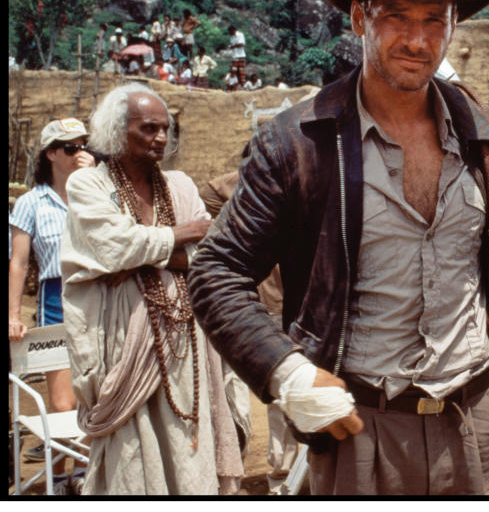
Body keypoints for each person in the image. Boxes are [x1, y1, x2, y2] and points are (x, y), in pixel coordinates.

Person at [188, 0, 489, 496]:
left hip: (476, 422)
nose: (417, 39)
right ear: (359, 17)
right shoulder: (297, 144)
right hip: (361, 429)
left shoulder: (484, 136)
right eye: (396, 16)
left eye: (435, 19)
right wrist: (289, 373)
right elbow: (215, 272)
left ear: (453, 25)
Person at [59, 83, 244, 494]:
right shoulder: (87, 184)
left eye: (165, 129)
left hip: (186, 344)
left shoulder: (180, 184)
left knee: (189, 441)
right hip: (124, 341)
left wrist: (138, 259)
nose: (160, 138)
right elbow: (114, 245)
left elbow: (209, 251)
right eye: (148, 129)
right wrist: (183, 233)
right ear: (116, 131)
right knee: (134, 453)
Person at [197, 167, 299, 495]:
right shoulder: (258, 180)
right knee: (282, 389)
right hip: (272, 303)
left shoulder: (313, 176)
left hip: (314, 304)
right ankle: (282, 478)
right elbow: (208, 196)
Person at [9, 118, 96, 494]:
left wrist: (95, 180)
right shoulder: (31, 202)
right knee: (62, 402)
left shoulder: (95, 191)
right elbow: (19, 261)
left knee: (98, 391)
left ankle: (85, 471)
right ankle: (60, 473)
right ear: (51, 154)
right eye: (71, 148)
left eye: (83, 145)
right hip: (55, 297)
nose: (80, 153)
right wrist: (12, 314)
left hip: (98, 295)